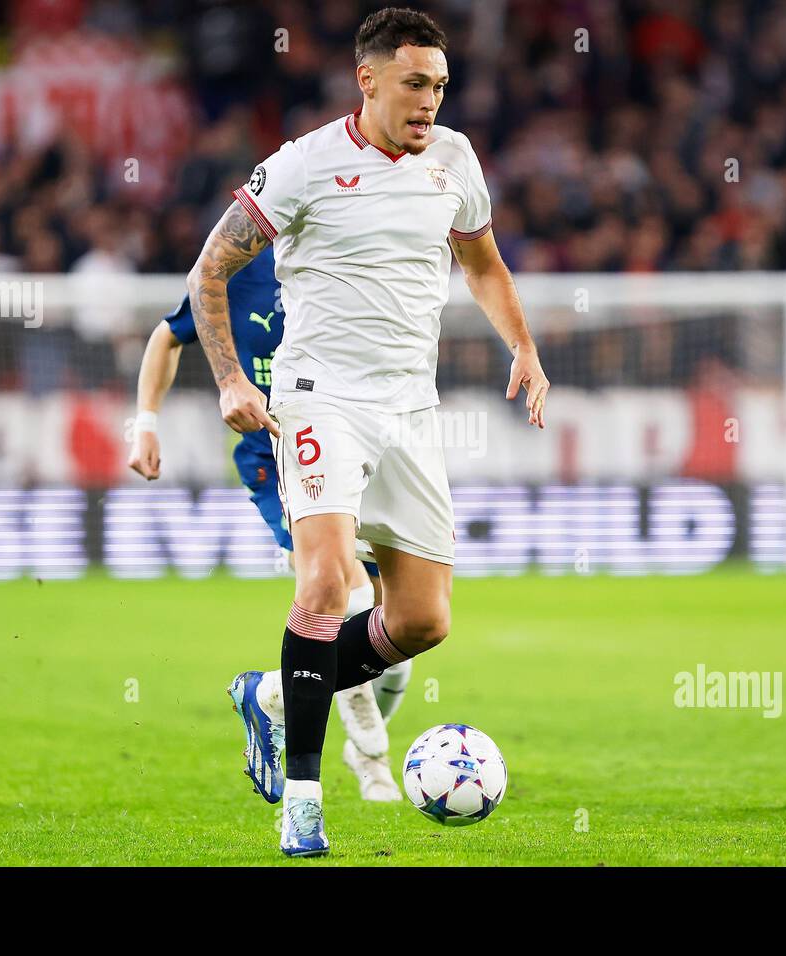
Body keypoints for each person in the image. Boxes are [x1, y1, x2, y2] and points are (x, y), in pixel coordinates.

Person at [188, 7, 549, 856]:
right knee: (323, 582)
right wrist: (234, 379)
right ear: (370, 79)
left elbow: (483, 261)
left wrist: (525, 349)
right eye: (416, 84)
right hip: (322, 401)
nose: (430, 102)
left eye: (441, 87)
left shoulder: (454, 159)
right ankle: (304, 805)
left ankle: (271, 692)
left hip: (411, 411)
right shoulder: (305, 166)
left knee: (422, 622)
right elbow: (211, 270)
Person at [127, 246, 412, 802]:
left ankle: (286, 704)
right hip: (277, 454)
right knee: (342, 592)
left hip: (360, 447)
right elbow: (167, 336)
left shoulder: (347, 259)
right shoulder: (235, 273)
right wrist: (144, 424)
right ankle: (374, 756)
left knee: (397, 627)